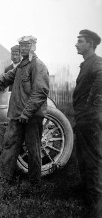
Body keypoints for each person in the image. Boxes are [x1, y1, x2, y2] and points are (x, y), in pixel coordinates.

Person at [0, 35, 49, 184]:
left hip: (31, 116)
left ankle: (34, 183)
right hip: (16, 115)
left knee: (33, 148)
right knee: (9, 144)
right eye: (21, 45)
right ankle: (2, 179)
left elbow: (40, 92)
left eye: (27, 45)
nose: (23, 48)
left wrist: (27, 112)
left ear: (33, 47)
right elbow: (5, 79)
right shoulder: (21, 66)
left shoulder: (38, 66)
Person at [72, 29, 102, 217]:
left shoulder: (96, 62)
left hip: (90, 118)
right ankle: (87, 193)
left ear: (90, 44)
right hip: (84, 117)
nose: (76, 44)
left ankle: (96, 201)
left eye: (80, 41)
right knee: (83, 157)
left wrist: (92, 102)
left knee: (93, 159)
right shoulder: (86, 64)